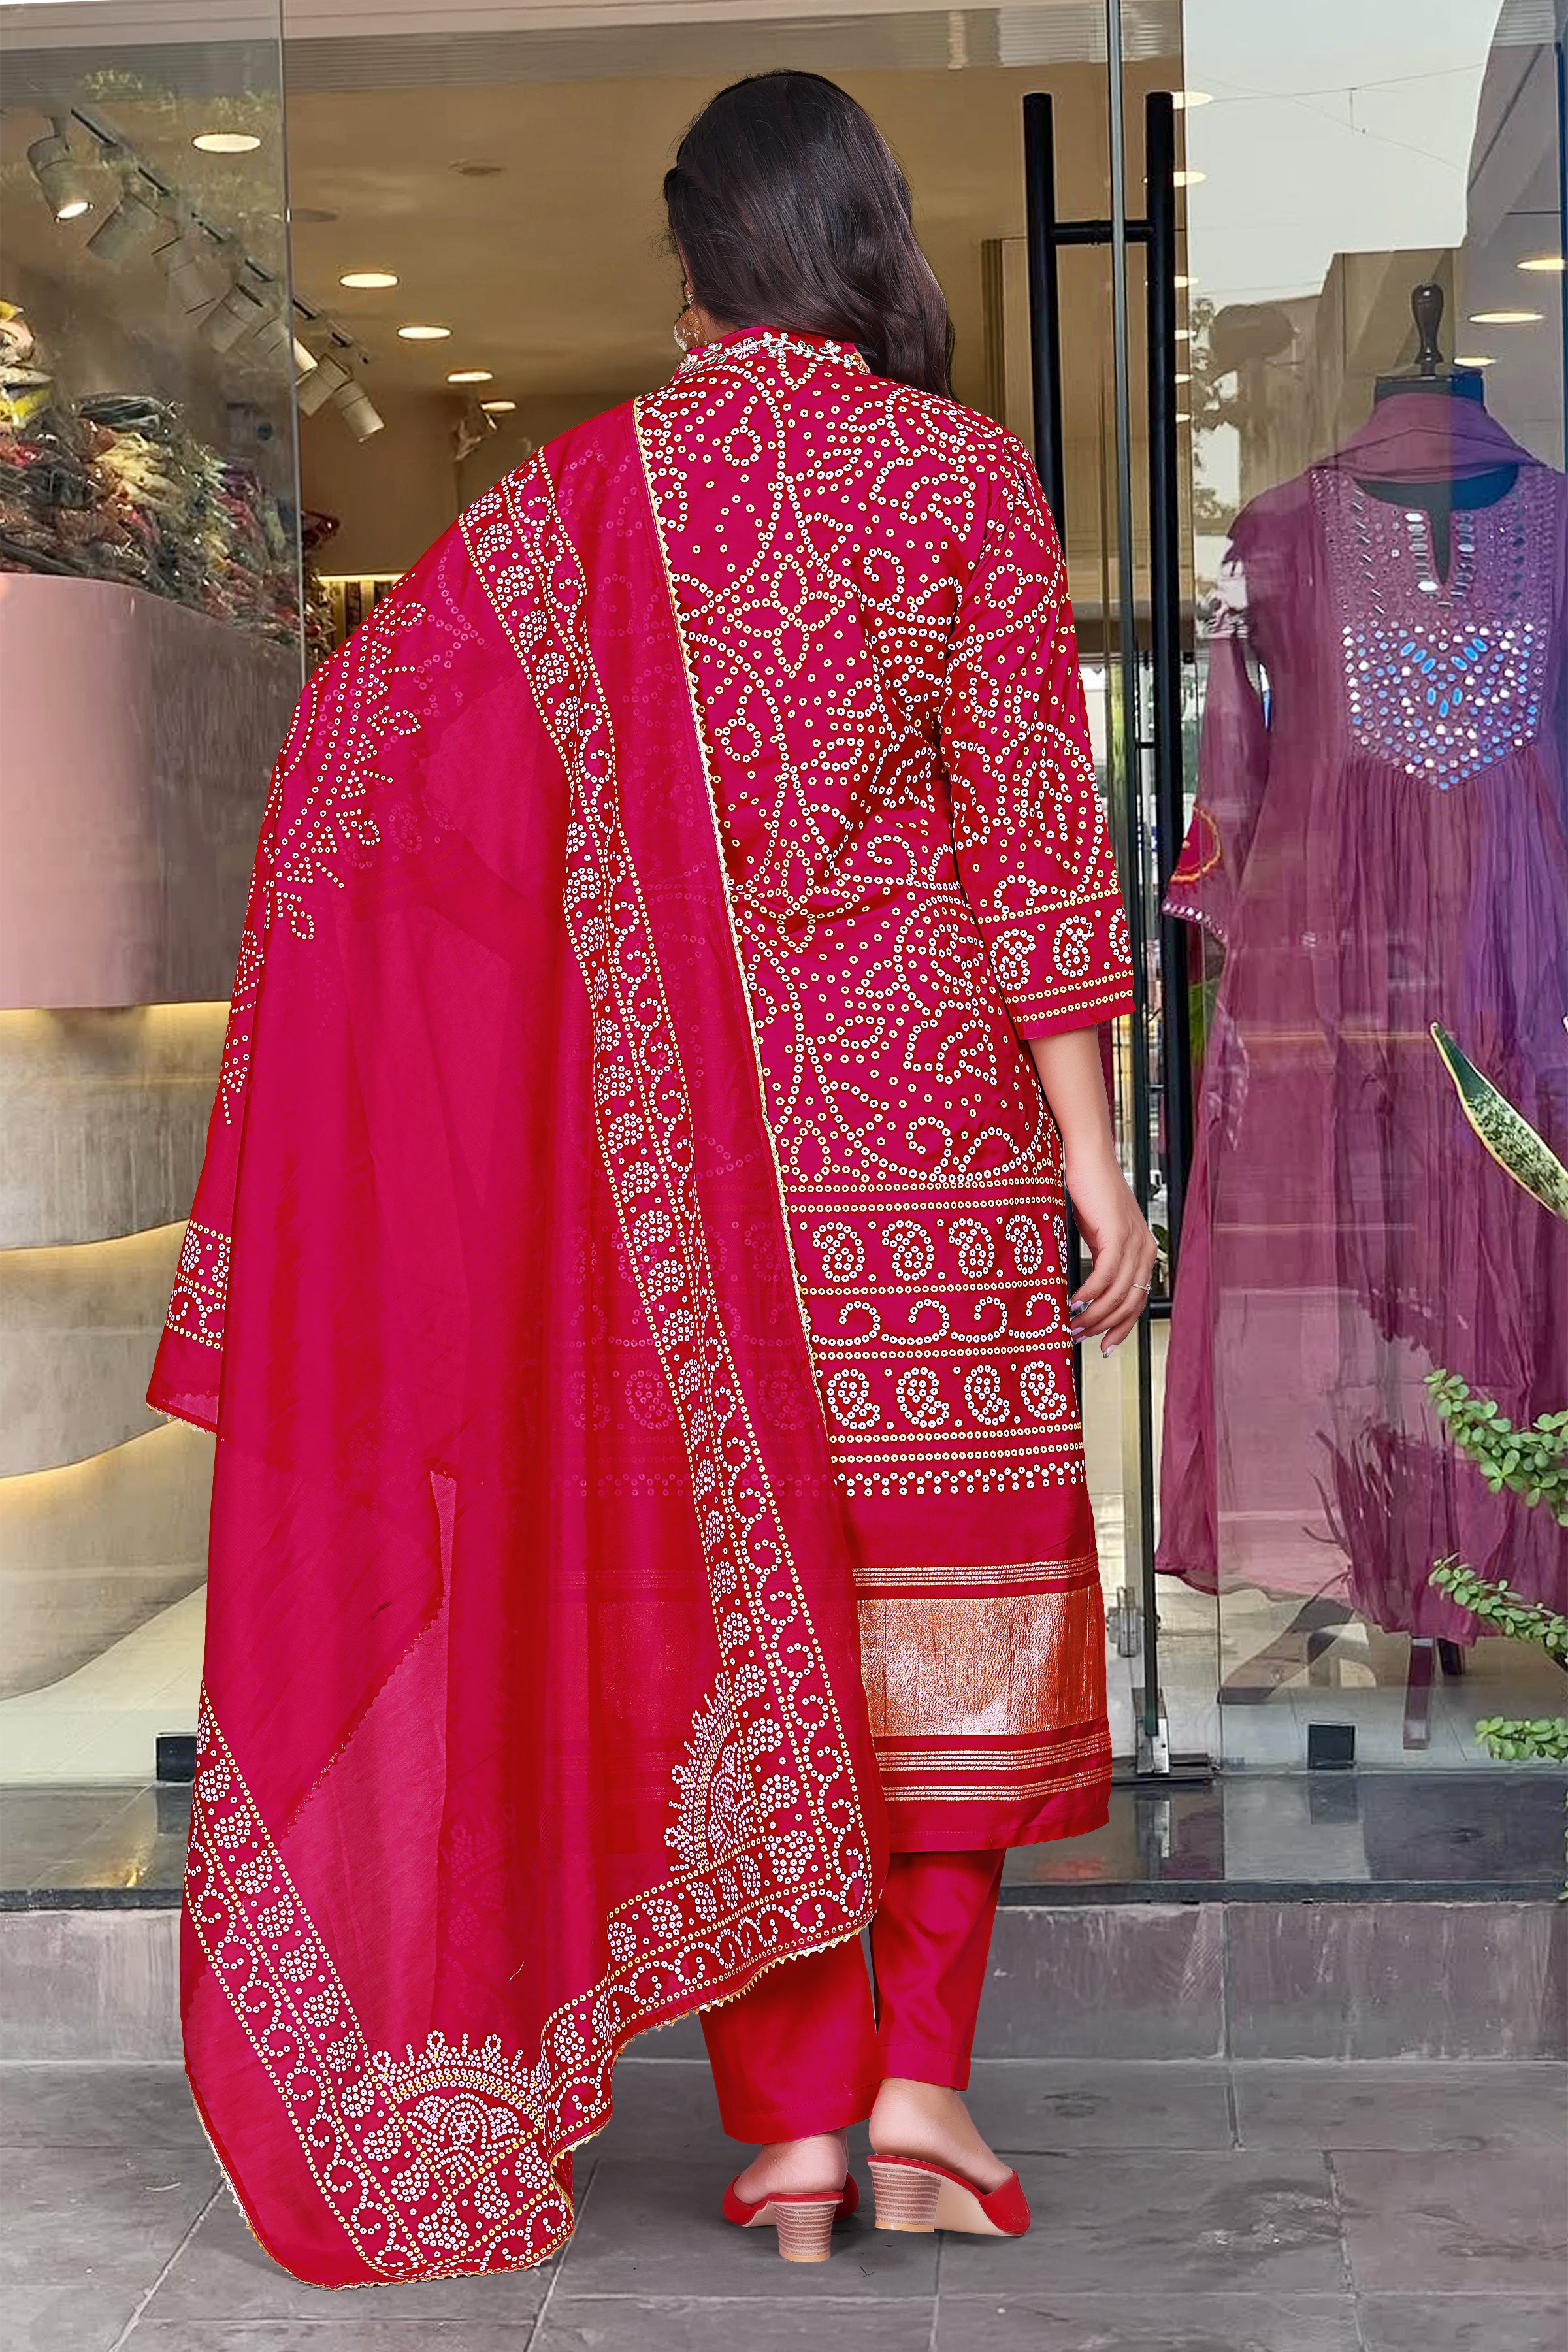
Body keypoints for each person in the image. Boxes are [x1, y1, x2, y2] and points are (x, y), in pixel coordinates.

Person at [148, 69, 1152, 2288]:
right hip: (936, 1164)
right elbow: (1030, 839)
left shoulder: (591, 496)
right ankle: (922, 2099)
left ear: (699, 260)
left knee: (734, 1633)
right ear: (868, 238)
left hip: (687, 1198)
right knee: (950, 1631)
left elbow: (359, 771)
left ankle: (790, 2138)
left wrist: (487, 1065)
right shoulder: (967, 477)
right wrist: (1093, 1163)